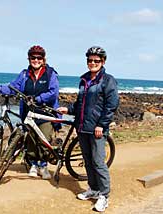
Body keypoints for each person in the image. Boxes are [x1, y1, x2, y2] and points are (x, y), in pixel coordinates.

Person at [57, 46, 119, 212]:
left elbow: (111, 105)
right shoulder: (84, 79)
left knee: (98, 162)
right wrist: (69, 110)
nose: (93, 63)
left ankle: (104, 195)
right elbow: (80, 103)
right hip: (82, 126)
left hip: (97, 128)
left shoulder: (108, 80)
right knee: (88, 161)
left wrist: (102, 124)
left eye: (96, 60)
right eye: (90, 60)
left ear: (103, 62)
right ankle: (93, 189)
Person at [0, 45, 59, 180]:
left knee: (43, 138)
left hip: (45, 112)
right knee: (30, 139)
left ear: (43, 59)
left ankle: (43, 166)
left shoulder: (50, 74)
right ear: (29, 59)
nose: (36, 60)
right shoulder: (25, 74)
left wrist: (38, 98)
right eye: (33, 57)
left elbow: (53, 92)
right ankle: (33, 164)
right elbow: (14, 87)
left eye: (39, 57)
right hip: (28, 112)